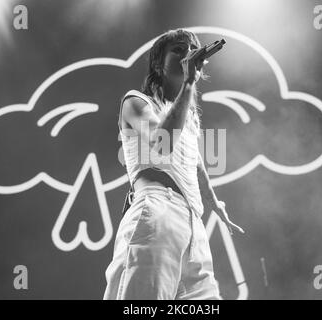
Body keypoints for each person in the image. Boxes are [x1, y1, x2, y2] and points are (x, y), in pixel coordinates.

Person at [104, 29, 244, 300]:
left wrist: (214, 203)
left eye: (193, 49)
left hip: (192, 223)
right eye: (179, 50)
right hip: (158, 209)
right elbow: (163, 143)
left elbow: (195, 163)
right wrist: (189, 82)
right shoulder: (135, 102)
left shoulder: (187, 117)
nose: (188, 54)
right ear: (158, 63)